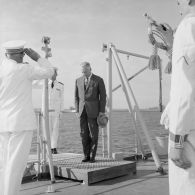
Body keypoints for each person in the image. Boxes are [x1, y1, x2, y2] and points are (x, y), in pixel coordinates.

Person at [0, 40, 54, 195]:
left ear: (6, 54)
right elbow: (49, 71)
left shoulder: (1, 69)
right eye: (23, 53)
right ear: (23, 54)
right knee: (15, 166)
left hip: (3, 123)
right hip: (21, 123)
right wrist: (38, 57)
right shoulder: (25, 69)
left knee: (4, 164)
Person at [160, 0, 195, 194]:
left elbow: (186, 88)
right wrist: (173, 46)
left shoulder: (188, 26)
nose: (177, 5)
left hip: (189, 134)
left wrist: (176, 142)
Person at [75, 62, 106, 163]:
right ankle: (86, 155)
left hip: (93, 111)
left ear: (90, 69)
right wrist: (76, 110)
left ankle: (92, 156)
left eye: (85, 71)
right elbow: (76, 97)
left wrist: (102, 111)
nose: (83, 73)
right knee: (83, 134)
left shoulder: (98, 80)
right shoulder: (78, 80)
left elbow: (103, 97)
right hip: (81, 111)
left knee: (94, 134)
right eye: (82, 71)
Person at [33, 68, 64, 154]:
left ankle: (54, 148)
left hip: (56, 111)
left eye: (54, 73)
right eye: (51, 73)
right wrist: (43, 75)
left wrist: (61, 111)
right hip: (46, 111)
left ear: (56, 74)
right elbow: (33, 84)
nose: (53, 75)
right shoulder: (44, 82)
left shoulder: (60, 85)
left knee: (55, 130)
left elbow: (62, 99)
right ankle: (48, 148)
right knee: (47, 130)